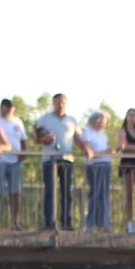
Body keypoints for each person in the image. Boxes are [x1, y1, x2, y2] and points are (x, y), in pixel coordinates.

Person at [36, 94, 81, 231]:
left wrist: (88, 150)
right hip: (49, 159)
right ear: (53, 103)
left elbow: (78, 139)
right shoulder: (45, 119)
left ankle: (66, 221)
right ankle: (49, 222)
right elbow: (36, 138)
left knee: (66, 191)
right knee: (50, 191)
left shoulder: (72, 120)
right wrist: (46, 139)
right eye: (57, 102)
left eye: (62, 102)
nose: (60, 104)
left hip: (67, 159)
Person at [0, 98, 28, 230]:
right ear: (0, 107)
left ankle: (15, 222)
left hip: (15, 162)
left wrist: (23, 155)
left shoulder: (18, 122)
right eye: (4, 107)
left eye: (9, 107)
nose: (6, 109)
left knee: (15, 193)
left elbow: (23, 141)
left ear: (13, 109)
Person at [80, 109, 114, 231]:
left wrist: (111, 151)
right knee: (95, 194)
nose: (103, 123)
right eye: (102, 120)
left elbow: (105, 148)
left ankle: (104, 222)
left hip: (106, 165)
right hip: (95, 166)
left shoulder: (103, 135)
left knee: (104, 195)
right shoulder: (88, 133)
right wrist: (106, 152)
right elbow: (90, 152)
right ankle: (91, 223)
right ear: (95, 120)